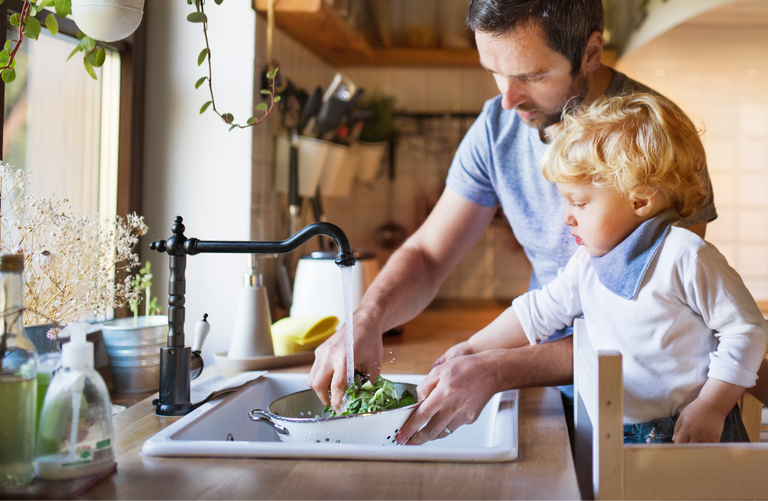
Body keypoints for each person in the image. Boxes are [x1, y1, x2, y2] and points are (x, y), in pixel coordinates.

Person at [307, 0, 717, 445]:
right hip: (551, 388)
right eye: (495, 71)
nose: (508, 98)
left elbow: (650, 320)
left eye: (532, 76)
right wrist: (367, 320)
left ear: (591, 52)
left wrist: (503, 367)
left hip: (650, 406)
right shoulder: (495, 128)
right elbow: (427, 255)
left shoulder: (659, 140)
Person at [408, 93, 768, 443]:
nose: (566, 217)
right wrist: (472, 349)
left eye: (578, 202)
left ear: (640, 200)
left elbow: (748, 332)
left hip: (689, 431)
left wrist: (711, 405)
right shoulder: (589, 263)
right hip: (618, 434)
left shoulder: (686, 256)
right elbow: (535, 313)